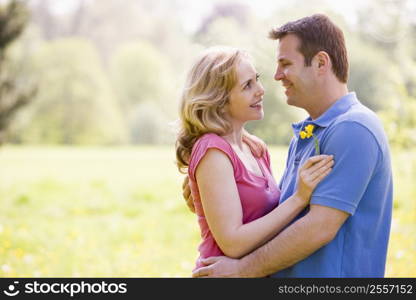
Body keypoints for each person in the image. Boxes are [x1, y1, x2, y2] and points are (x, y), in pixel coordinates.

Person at [188, 14, 393, 278]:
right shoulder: (308, 133)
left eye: (285, 64)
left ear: (320, 63)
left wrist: (242, 270)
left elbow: (318, 227)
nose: (276, 76)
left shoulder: (353, 128)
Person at [175, 46, 334, 271]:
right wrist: (299, 198)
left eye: (256, 80)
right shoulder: (213, 152)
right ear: (219, 100)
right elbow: (234, 244)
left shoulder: (255, 148)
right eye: (247, 86)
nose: (260, 90)